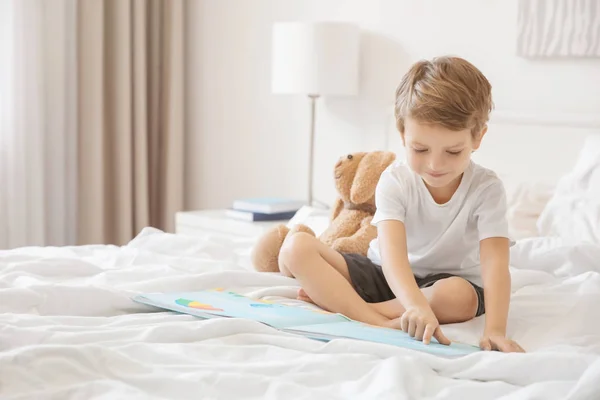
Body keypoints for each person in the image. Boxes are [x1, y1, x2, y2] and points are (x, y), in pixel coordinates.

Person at [278, 56, 525, 353]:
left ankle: (351, 307)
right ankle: (378, 321)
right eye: (420, 149)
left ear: (477, 138)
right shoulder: (395, 180)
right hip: (387, 273)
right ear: (403, 134)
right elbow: (392, 257)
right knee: (296, 248)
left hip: (448, 285)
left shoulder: (487, 189)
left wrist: (495, 330)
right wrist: (414, 305)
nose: (435, 165)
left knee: (459, 295)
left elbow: (495, 263)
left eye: (453, 151)